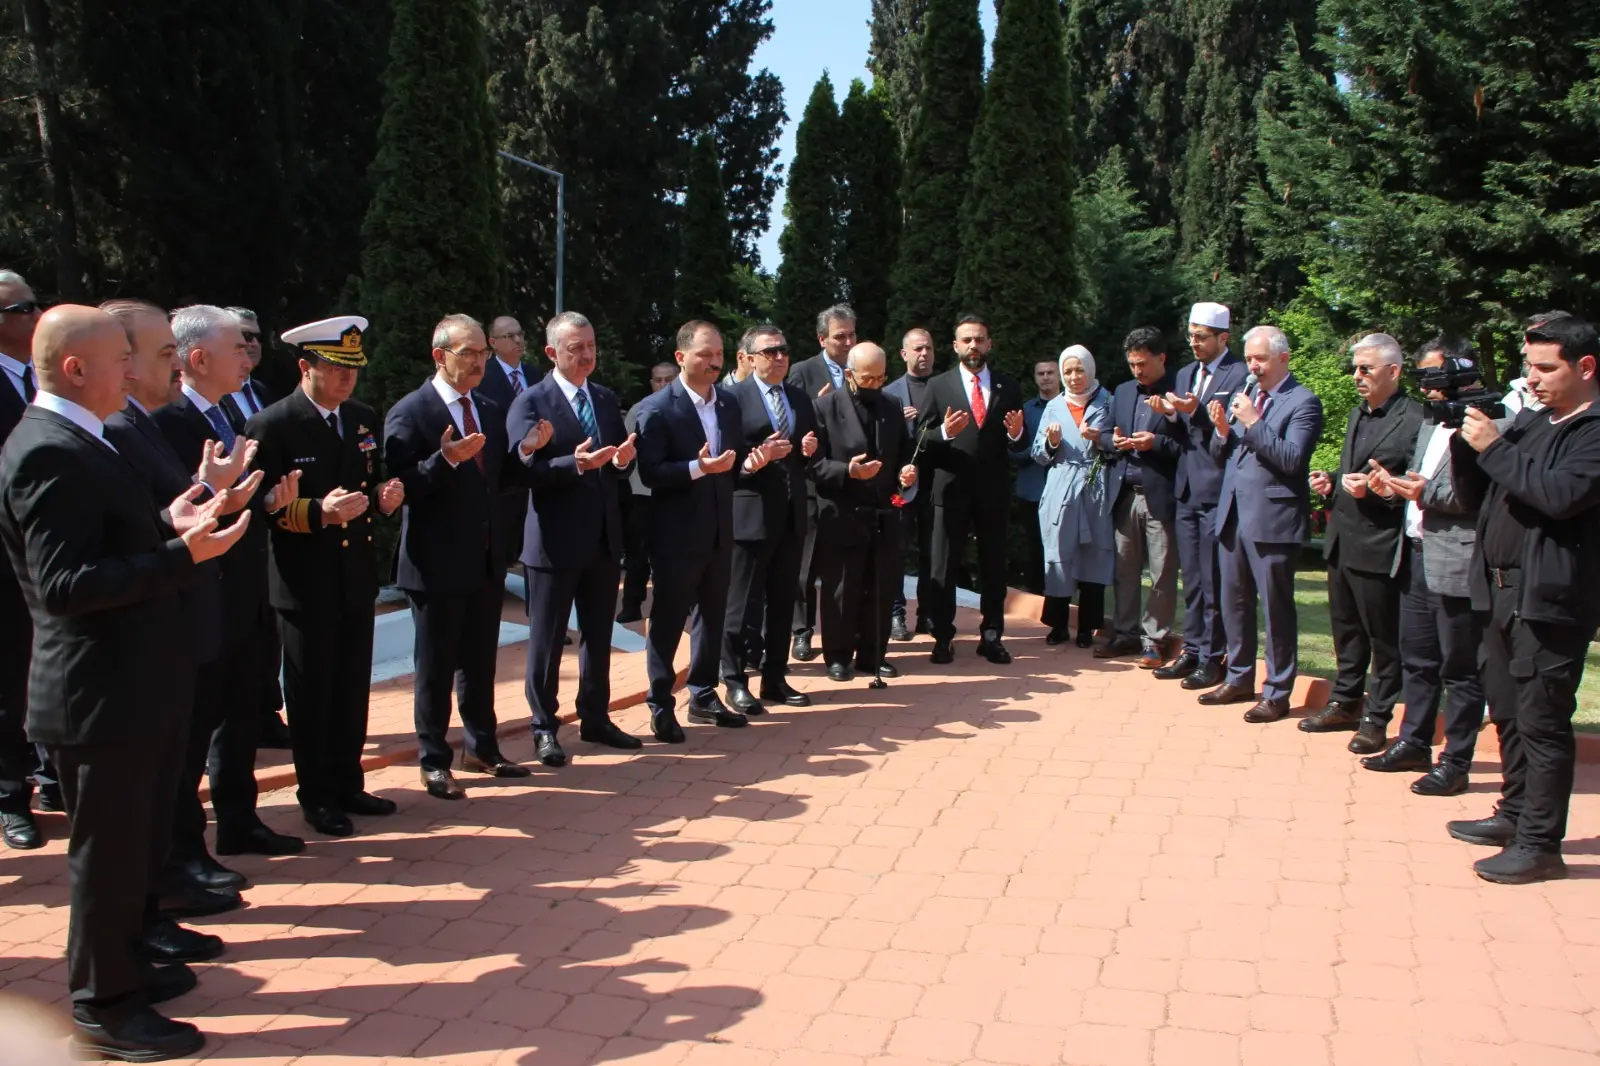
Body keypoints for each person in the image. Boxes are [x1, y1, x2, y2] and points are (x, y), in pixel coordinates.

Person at [0, 304, 252, 1061]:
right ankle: (104, 1004)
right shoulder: (49, 449)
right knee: (105, 862)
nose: (145, 371)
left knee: (134, 847)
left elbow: (111, 537)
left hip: (131, 681)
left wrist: (173, 521)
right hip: (95, 693)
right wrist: (184, 557)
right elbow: (67, 584)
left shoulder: (87, 438)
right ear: (77, 368)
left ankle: (131, 966)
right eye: (125, 358)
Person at [1444, 310, 1600, 885]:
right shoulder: (1539, 422)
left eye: (1544, 367)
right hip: (1501, 594)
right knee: (1508, 713)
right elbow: (1482, 490)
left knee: (1542, 721)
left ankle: (1540, 844)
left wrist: (1494, 448)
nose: (1531, 379)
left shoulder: (1592, 430)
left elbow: (1558, 495)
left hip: (1550, 602)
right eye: (1527, 366)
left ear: (1585, 366)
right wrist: (1467, 444)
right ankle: (1514, 814)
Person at [155, 305, 306, 882]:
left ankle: (239, 819)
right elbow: (174, 515)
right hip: (201, 594)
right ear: (198, 359)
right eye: (235, 348)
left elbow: (233, 501)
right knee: (196, 726)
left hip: (244, 587)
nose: (247, 357)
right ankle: (183, 850)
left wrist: (267, 501)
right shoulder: (169, 422)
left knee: (244, 707)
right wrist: (213, 491)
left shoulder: (229, 413)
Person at [245, 315, 405, 838]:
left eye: (352, 369)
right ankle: (316, 794)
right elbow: (261, 509)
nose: (346, 380)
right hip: (303, 579)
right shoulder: (273, 424)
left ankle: (348, 781)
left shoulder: (360, 417)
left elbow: (370, 482)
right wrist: (319, 512)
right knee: (312, 694)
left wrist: (383, 500)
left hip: (353, 576)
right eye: (335, 369)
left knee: (351, 688)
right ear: (304, 366)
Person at [385, 314, 550, 800]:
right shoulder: (411, 411)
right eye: (469, 354)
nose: (480, 362)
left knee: (480, 662)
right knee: (435, 666)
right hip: (434, 563)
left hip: (483, 559)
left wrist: (526, 450)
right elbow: (399, 486)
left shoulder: (490, 406)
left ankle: (482, 747)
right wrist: (446, 459)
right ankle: (434, 759)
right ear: (440, 356)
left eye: (483, 353)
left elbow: (501, 480)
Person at [506, 311, 645, 766]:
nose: (586, 355)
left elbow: (614, 466)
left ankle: (596, 716)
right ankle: (544, 727)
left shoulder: (604, 399)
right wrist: (574, 464)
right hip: (553, 543)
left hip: (602, 539)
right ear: (551, 353)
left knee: (599, 635)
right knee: (547, 642)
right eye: (575, 349)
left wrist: (622, 461)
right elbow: (520, 471)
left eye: (590, 346)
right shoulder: (531, 403)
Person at [1360, 336, 1485, 795]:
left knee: (1460, 667)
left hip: (1456, 558)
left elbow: (1472, 495)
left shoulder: (1484, 421)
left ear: (1461, 371)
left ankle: (1456, 760)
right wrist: (1390, 486)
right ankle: (1414, 741)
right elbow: (1419, 480)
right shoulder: (1434, 422)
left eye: (1436, 376)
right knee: (1417, 658)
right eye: (1425, 378)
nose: (1429, 387)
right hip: (1414, 552)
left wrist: (1420, 493)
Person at [634, 320, 760, 742]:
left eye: (719, 354)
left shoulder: (727, 404)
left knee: (713, 615)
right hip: (675, 535)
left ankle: (703, 694)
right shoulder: (658, 408)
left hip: (721, 529)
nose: (713, 362)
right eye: (704, 354)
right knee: (669, 619)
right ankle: (659, 703)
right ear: (681, 356)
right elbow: (650, 473)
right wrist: (696, 468)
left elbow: (732, 462)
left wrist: (750, 463)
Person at [1300, 334, 1424, 753]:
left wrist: (1377, 491)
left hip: (1380, 542)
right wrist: (1332, 482)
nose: (1357, 376)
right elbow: (1354, 472)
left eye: (1365, 369)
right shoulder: (1357, 414)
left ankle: (1378, 716)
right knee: (1346, 632)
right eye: (1355, 368)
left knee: (1382, 638)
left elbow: (1413, 484)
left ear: (1394, 371)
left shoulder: (1415, 419)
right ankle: (1344, 701)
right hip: (1343, 540)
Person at [1200, 325, 1325, 723]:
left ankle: (1277, 691)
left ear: (1283, 359)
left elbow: (1291, 459)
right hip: (1234, 513)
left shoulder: (1303, 402)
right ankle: (1238, 677)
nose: (1253, 366)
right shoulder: (1250, 396)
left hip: (1273, 519)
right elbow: (1225, 454)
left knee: (1275, 608)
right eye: (1250, 358)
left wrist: (1253, 422)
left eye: (1261, 359)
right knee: (1234, 603)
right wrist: (1222, 430)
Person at [1147, 302, 1249, 690]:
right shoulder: (1186, 373)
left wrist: (1198, 412)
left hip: (1216, 487)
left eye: (1202, 336)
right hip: (1186, 487)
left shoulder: (1238, 374)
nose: (1194, 343)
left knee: (1212, 579)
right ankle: (1192, 649)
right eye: (1191, 335)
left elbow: (1232, 430)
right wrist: (1172, 415)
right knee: (1190, 577)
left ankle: (1213, 655)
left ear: (1223, 337)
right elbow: (1182, 432)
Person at [914, 315, 1026, 665]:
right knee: (943, 566)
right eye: (967, 340)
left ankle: (991, 635)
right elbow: (920, 440)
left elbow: (1018, 442)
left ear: (989, 344)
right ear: (956, 346)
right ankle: (943, 636)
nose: (973, 346)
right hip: (950, 490)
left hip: (992, 492)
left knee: (993, 566)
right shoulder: (938, 385)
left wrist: (1017, 434)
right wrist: (943, 432)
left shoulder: (1009, 387)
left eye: (979, 339)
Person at [810, 343, 919, 682]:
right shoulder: (824, 407)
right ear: (849, 374)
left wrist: (906, 472)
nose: (874, 385)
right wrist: (848, 472)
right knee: (842, 588)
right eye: (866, 378)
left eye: (880, 378)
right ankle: (838, 656)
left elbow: (903, 452)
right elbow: (813, 466)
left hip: (885, 512)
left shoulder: (891, 403)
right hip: (843, 512)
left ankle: (873, 654)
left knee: (881, 586)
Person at [722, 325, 818, 709]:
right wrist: (752, 459)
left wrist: (809, 448)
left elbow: (809, 448)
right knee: (740, 603)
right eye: (769, 351)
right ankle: (733, 679)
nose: (779, 357)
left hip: (792, 513)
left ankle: (775, 678)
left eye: (784, 350)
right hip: (749, 513)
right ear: (748, 357)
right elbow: (726, 453)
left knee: (782, 602)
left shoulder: (798, 397)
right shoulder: (732, 399)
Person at [220, 306, 293, 753]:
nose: (251, 345)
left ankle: (267, 711)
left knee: (267, 628)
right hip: (226, 530)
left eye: (255, 337)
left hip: (266, 520)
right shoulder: (214, 400)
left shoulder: (260, 391)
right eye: (241, 337)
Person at [0, 270, 52, 850]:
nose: (34, 316)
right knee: (9, 677)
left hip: (50, 554)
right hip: (6, 560)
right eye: (22, 309)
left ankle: (51, 775)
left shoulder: (42, 384)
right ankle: (12, 793)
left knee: (46, 672)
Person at [1096, 328, 1180, 668]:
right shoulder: (1123, 391)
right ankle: (1125, 634)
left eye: (1143, 364)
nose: (1137, 371)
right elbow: (1103, 435)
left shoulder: (1180, 392)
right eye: (1132, 364)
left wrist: (1154, 443)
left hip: (1161, 493)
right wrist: (1112, 442)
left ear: (1162, 358)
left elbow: (1191, 446)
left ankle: (1154, 641)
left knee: (1161, 572)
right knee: (1124, 569)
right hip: (1125, 493)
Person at [786, 304, 857, 661]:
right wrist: (817, 405)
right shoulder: (801, 373)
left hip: (851, 484)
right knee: (806, 564)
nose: (847, 342)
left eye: (851, 335)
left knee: (841, 566)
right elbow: (791, 425)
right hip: (813, 481)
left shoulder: (861, 369)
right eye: (839, 336)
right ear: (822, 338)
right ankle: (802, 631)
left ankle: (844, 631)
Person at [1033, 346, 1112, 646]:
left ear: (1090, 370)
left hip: (1096, 484)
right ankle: (1057, 625)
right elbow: (1038, 454)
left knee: (1095, 554)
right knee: (1059, 554)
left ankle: (1087, 627)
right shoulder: (1053, 406)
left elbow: (1118, 442)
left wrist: (1101, 440)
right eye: (1068, 371)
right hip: (1062, 485)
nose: (1074, 377)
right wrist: (1052, 443)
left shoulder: (1108, 401)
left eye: (1079, 370)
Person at [883, 328, 936, 640]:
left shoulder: (945, 387)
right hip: (900, 485)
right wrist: (895, 423)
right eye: (917, 349)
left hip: (936, 484)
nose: (924, 354)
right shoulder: (889, 394)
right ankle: (895, 614)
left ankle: (928, 614)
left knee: (934, 552)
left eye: (928, 348)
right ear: (904, 354)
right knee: (895, 551)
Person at [480, 315, 544, 566]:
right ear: (493, 342)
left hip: (532, 466)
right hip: (501, 470)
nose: (517, 340)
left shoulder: (533, 373)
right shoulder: (484, 376)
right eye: (509, 336)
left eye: (520, 334)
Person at [618, 362, 677, 623]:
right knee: (637, 555)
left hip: (676, 491)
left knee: (676, 554)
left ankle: (681, 602)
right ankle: (632, 603)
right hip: (641, 493)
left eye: (668, 379)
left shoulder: (686, 408)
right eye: (658, 380)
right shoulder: (639, 410)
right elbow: (625, 449)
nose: (663, 384)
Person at [1010, 356, 1059, 596]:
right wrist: (1042, 449)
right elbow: (1014, 453)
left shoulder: (1070, 408)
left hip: (1063, 491)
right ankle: (1036, 595)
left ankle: (1061, 597)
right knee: (1034, 548)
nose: (1046, 377)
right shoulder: (1026, 411)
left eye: (1050, 372)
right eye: (1041, 373)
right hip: (1033, 490)